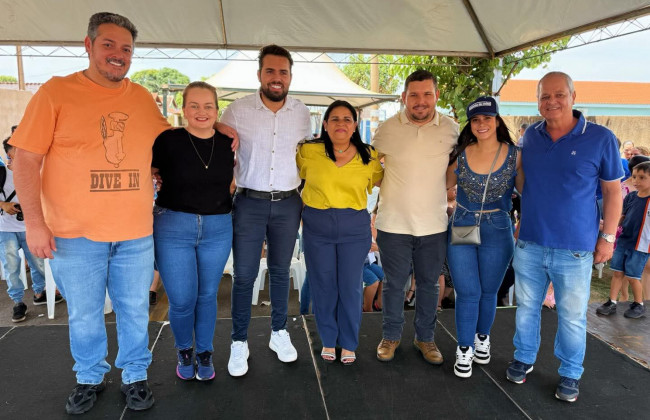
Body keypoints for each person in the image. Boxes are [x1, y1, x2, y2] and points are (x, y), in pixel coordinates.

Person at [9, 12, 237, 415]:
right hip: (74, 234)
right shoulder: (56, 92)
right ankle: (89, 376)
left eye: (126, 48)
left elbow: (176, 138)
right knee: (84, 314)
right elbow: (25, 159)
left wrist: (220, 127)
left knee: (134, 311)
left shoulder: (141, 98)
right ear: (88, 45)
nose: (118, 54)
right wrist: (36, 224)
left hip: (135, 232)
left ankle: (135, 374)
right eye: (109, 45)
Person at [507, 72, 623, 403]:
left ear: (573, 96)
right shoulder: (530, 136)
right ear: (537, 101)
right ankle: (524, 358)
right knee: (526, 308)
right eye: (544, 96)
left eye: (559, 94)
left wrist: (608, 238)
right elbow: (523, 180)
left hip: (575, 249)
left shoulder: (600, 138)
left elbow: (613, 192)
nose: (552, 101)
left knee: (571, 317)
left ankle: (571, 373)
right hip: (530, 242)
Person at [220, 44, 311, 377]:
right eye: (270, 71)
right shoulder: (236, 111)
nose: (276, 77)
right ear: (259, 74)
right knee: (244, 275)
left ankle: (278, 332)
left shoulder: (302, 113)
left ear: (290, 76)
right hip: (249, 203)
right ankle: (239, 340)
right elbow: (215, 143)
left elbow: (307, 156)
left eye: (283, 72)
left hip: (289, 203)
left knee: (280, 270)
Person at [372, 69, 459, 364]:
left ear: (436, 96)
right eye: (414, 95)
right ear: (404, 97)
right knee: (394, 285)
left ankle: (425, 338)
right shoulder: (386, 129)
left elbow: (458, 167)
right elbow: (369, 167)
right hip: (393, 224)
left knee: (429, 285)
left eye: (427, 94)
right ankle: (390, 336)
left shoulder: (451, 129)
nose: (420, 101)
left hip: (433, 225)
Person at [152, 82, 234, 381]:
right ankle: (184, 350)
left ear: (217, 110)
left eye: (208, 106)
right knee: (182, 299)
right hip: (173, 227)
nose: (202, 112)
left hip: (218, 228)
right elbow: (148, 171)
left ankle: (205, 352)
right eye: (195, 106)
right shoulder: (167, 140)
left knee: (207, 295)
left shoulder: (229, 143)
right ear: (184, 109)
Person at [298, 100, 383, 364]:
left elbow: (386, 184)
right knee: (323, 284)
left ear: (355, 125)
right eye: (334, 118)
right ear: (325, 124)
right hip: (317, 225)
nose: (341, 124)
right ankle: (328, 338)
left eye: (347, 119)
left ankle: (348, 342)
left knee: (350, 286)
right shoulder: (308, 151)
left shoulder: (369, 155)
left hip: (354, 227)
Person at [446, 96, 523, 378]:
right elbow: (441, 184)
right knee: (468, 292)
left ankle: (482, 337)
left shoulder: (516, 155)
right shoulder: (460, 153)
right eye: (476, 120)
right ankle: (464, 348)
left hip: (498, 227)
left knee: (489, 291)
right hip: (463, 223)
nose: (481, 124)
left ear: (497, 121)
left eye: (487, 118)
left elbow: (529, 192)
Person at [0, 137, 61, 323]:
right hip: (6, 228)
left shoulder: (36, 171)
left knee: (38, 262)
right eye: (18, 151)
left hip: (31, 227)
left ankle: (40, 292)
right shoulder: (2, 173)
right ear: (9, 154)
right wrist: (4, 205)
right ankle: (17, 302)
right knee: (11, 267)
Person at [596, 161, 650, 319]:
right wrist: (608, 226)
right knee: (617, 272)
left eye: (642, 177)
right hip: (624, 241)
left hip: (640, 245)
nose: (636, 181)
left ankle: (638, 304)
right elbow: (622, 217)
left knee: (633, 276)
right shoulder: (631, 197)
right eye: (634, 177)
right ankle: (612, 302)